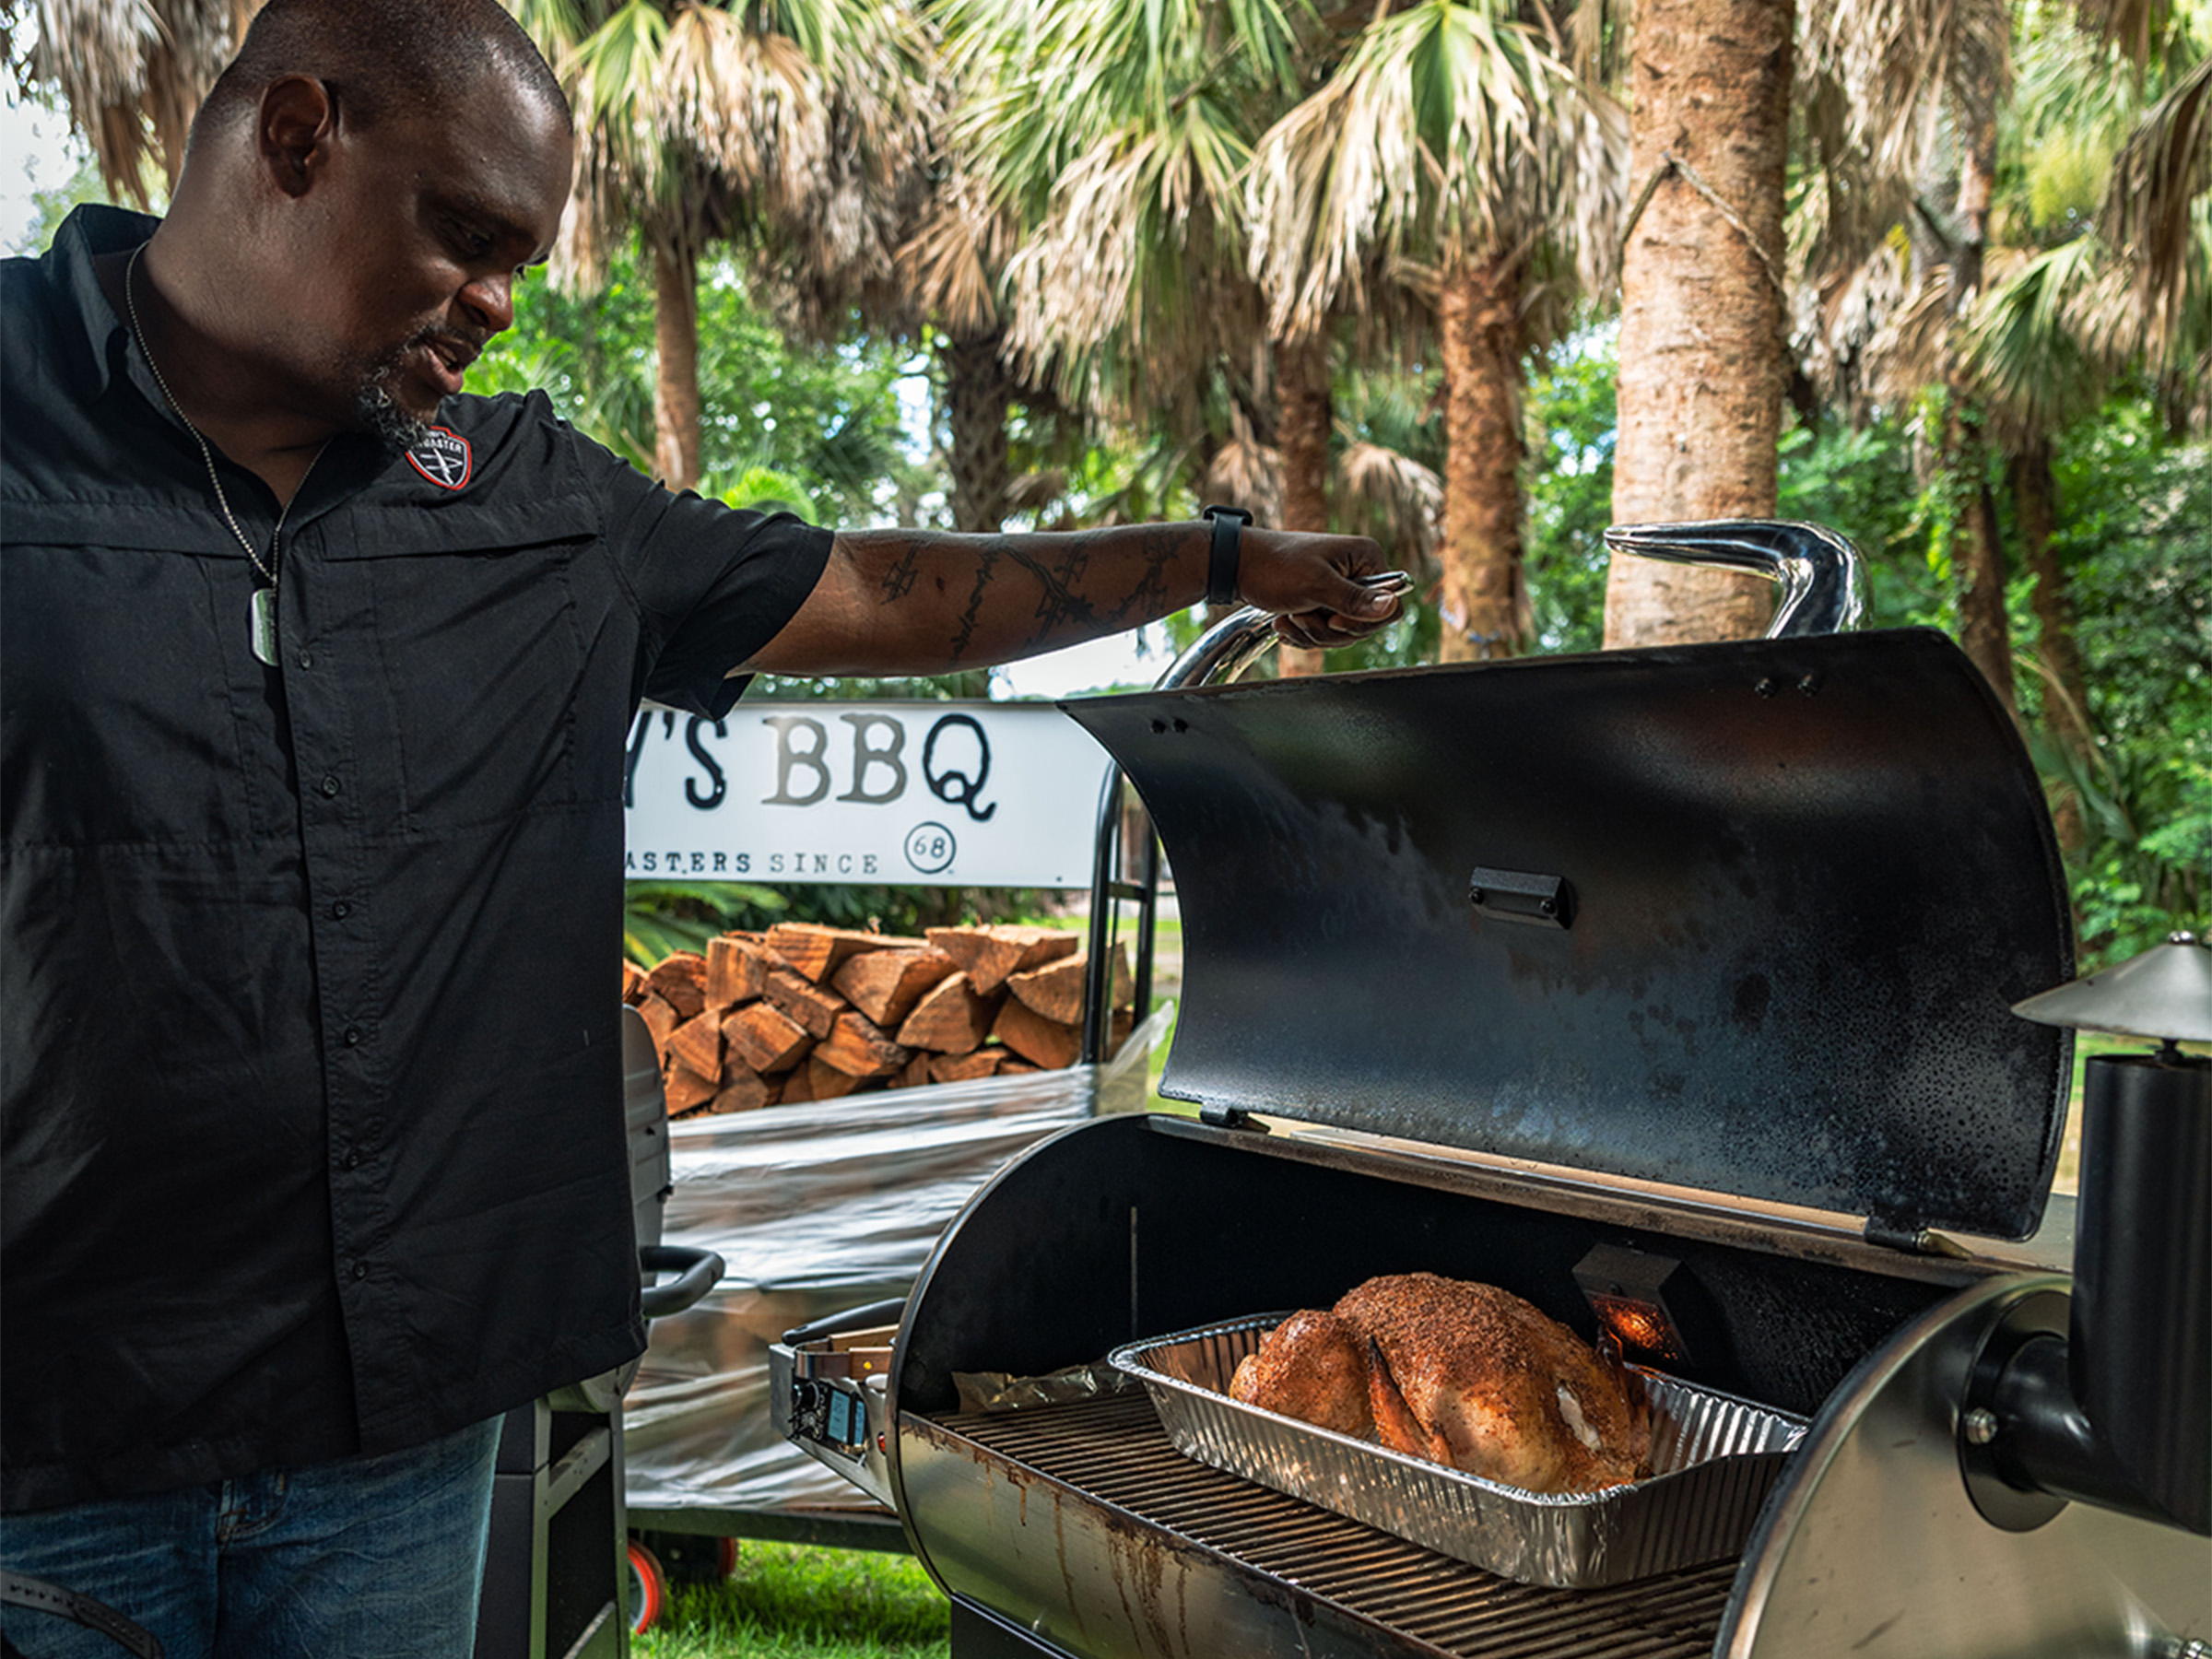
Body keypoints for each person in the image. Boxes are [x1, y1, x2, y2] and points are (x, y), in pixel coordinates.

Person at [0, 1, 1396, 1653]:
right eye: (467, 235)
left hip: (397, 1439)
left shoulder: (533, 503)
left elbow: (881, 589)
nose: (499, 303)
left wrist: (1217, 560)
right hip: (51, 1436)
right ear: (297, 139)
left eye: (520, 257)